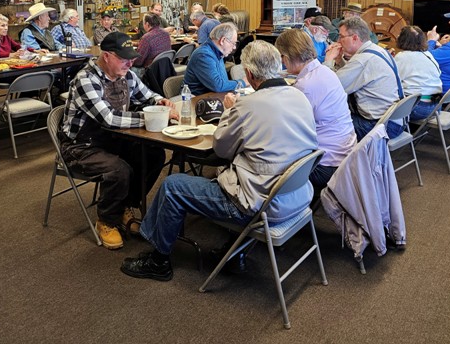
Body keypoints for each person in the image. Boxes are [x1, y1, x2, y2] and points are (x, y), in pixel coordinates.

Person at [120, 40, 318, 282]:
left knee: (173, 186)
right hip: (296, 197)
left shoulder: (247, 105)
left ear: (248, 74)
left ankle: (158, 261)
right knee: (227, 172)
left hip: (259, 206)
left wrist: (229, 112)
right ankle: (235, 252)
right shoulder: (300, 96)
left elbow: (221, 148)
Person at [61, 32, 176, 250]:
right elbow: (110, 119)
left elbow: (148, 95)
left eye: (131, 58)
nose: (130, 63)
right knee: (119, 170)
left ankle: (125, 205)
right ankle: (106, 220)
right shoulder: (86, 80)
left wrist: (160, 100)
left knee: (153, 155)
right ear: (106, 56)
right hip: (80, 147)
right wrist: (152, 116)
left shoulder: (127, 75)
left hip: (113, 140)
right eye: (124, 59)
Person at [275, 29, 356, 193]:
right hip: (346, 155)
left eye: (282, 57)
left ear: (289, 56)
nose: (282, 62)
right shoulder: (325, 72)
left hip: (326, 165)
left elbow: (289, 131)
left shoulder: (305, 86)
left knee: (268, 158)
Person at [324, 17, 403, 140]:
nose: (338, 41)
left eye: (341, 36)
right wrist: (339, 61)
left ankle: (342, 158)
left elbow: (329, 88)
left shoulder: (363, 60)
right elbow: (354, 76)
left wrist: (328, 60)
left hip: (380, 126)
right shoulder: (378, 50)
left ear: (355, 38)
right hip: (395, 120)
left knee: (326, 125)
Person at [393, 25, 442, 121]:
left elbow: (392, 80)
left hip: (418, 108)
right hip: (436, 106)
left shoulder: (402, 57)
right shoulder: (428, 54)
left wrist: (391, 61)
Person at [184, 22, 245, 95]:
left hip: (213, 96)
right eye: (233, 43)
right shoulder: (203, 55)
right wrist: (243, 82)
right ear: (223, 40)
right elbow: (218, 86)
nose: (234, 47)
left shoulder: (218, 52)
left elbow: (223, 82)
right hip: (196, 100)